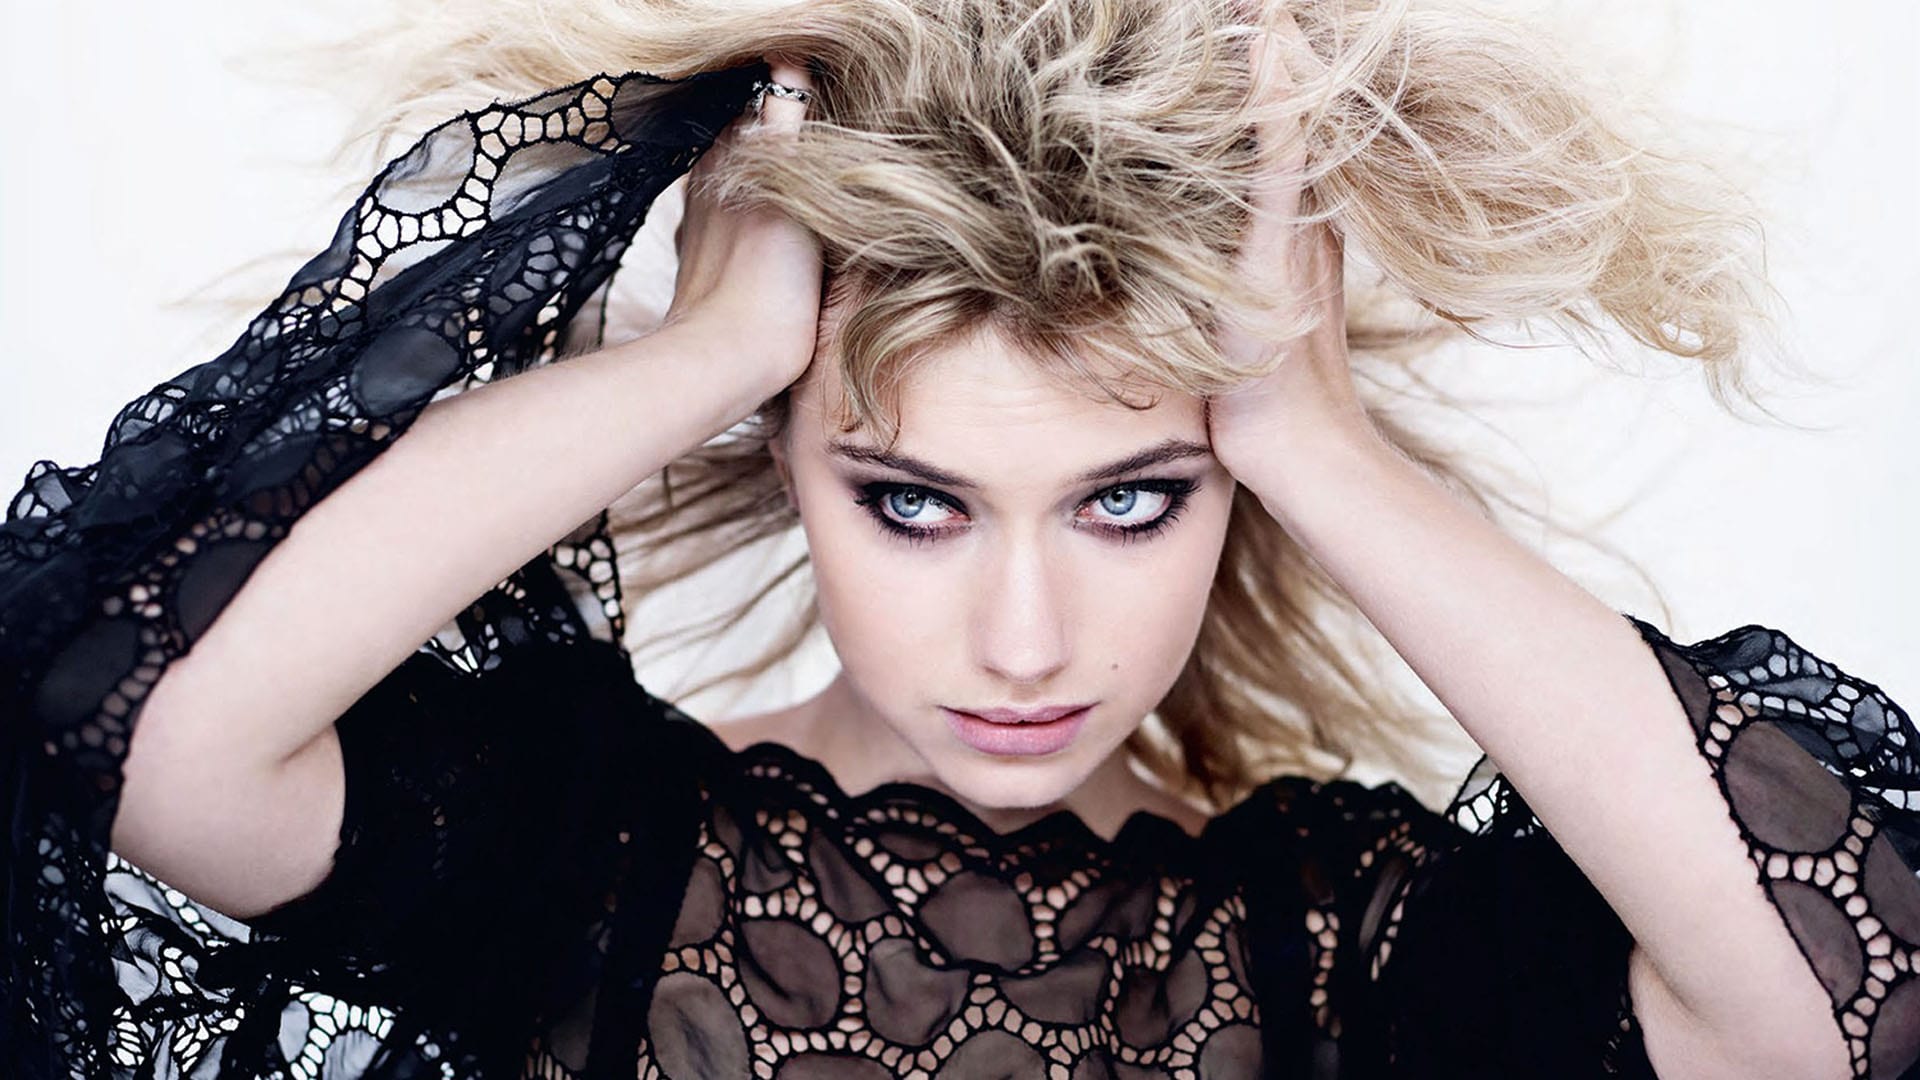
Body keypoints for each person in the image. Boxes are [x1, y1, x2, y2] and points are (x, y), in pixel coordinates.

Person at [1, 0, 1913, 1077]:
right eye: (911, 502)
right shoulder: (587, 865)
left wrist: (1312, 440)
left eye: (1131, 497)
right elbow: (126, 718)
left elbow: (1840, 1009)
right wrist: (708, 352)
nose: (1024, 640)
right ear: (792, 460)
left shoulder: (1341, 960)